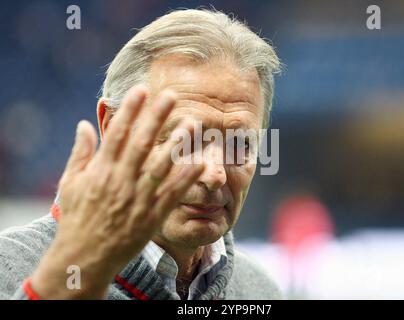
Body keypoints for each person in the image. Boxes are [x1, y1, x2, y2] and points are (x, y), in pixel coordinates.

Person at [0, 8, 282, 300]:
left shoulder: (259, 291)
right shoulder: (8, 270)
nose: (215, 174)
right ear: (113, 126)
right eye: (184, 141)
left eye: (240, 145)